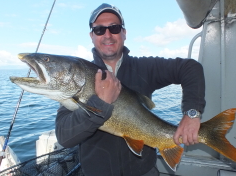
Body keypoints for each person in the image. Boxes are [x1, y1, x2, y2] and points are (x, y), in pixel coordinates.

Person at [55, 3, 205, 176]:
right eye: (99, 30)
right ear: (92, 36)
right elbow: (64, 137)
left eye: (115, 28)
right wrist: (101, 103)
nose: (108, 35)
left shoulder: (144, 67)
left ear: (124, 33)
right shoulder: (80, 79)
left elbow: (190, 68)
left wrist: (192, 113)